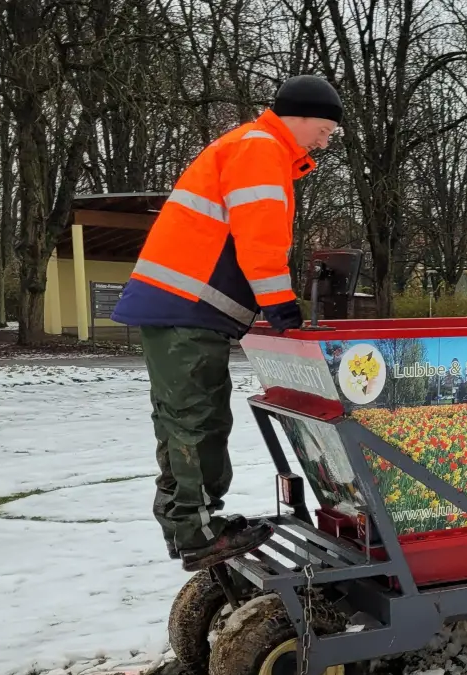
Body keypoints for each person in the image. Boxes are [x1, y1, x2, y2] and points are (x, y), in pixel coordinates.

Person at [111, 74, 342, 572]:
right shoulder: (261, 151)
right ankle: (197, 530)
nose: (325, 140)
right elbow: (259, 243)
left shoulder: (249, 147)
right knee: (197, 420)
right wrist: (280, 306)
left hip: (181, 307)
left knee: (185, 417)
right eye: (325, 129)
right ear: (298, 116)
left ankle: (189, 523)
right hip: (187, 307)